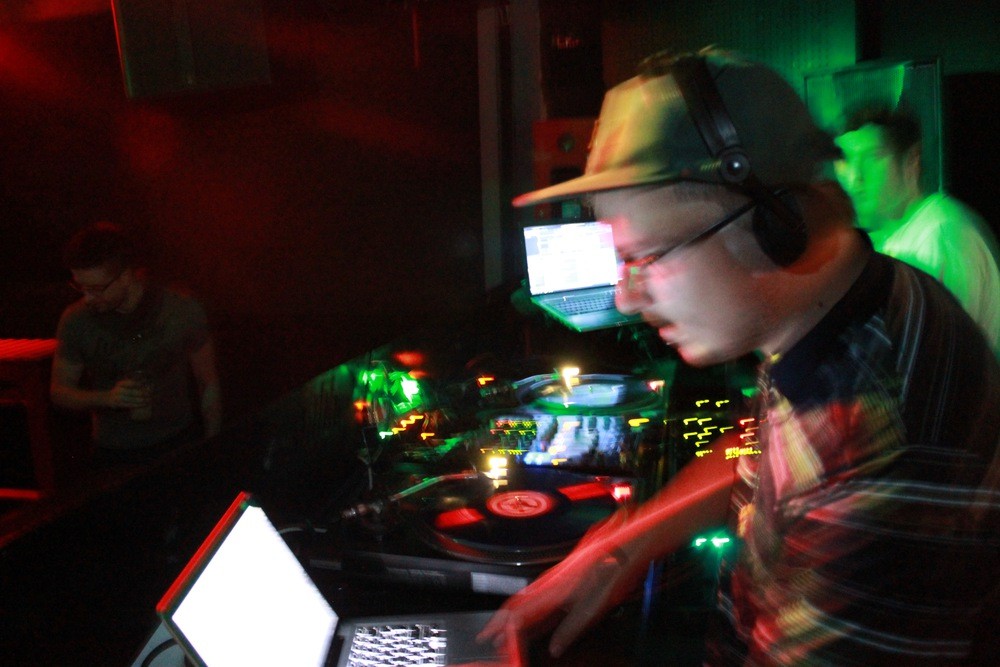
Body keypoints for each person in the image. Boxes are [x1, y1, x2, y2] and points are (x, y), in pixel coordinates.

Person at [476, 49, 1000, 665]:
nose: (624, 297)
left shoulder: (876, 458)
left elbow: (825, 461)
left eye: (645, 257)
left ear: (773, 224)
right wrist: (627, 541)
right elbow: (760, 440)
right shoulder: (860, 305)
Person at [50, 221, 222, 466]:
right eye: (80, 287)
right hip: (112, 452)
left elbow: (208, 382)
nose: (87, 298)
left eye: (96, 289)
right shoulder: (76, 320)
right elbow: (59, 392)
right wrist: (108, 398)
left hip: (177, 443)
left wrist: (214, 446)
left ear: (126, 276)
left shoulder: (181, 310)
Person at [834, 106, 1000, 354]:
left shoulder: (938, 235)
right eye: (846, 159)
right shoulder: (890, 236)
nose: (855, 178)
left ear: (911, 162)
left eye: (873, 157)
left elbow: (934, 357)